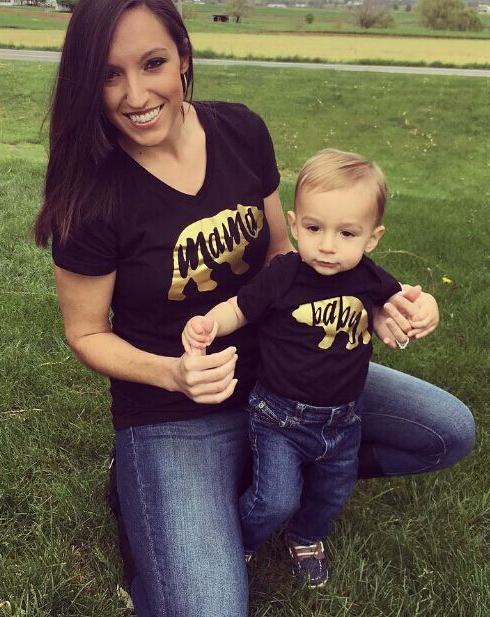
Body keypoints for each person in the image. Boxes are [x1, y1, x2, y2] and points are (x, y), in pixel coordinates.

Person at [33, 0, 475, 614]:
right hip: (175, 410)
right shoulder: (92, 194)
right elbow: (84, 333)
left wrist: (360, 302)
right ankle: (160, 488)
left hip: (290, 375)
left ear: (183, 58)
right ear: (87, 80)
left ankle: (277, 471)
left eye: (153, 62)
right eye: (109, 74)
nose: (135, 94)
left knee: (445, 430)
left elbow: (279, 255)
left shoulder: (242, 131)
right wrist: (173, 372)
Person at [182, 150, 434, 588]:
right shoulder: (284, 274)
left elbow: (407, 300)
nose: (329, 245)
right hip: (279, 417)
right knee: (275, 498)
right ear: (295, 225)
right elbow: (241, 309)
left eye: (347, 233)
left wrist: (426, 306)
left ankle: (307, 535)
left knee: (332, 491)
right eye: (315, 229)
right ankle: (241, 540)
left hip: (343, 419)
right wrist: (210, 324)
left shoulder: (369, 278)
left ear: (372, 238)